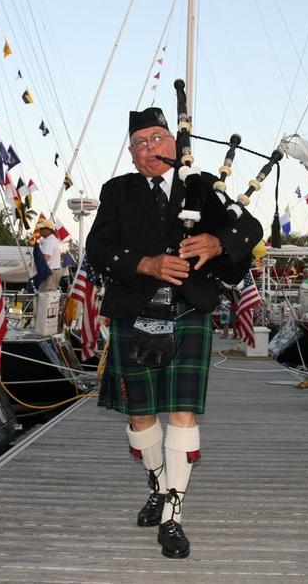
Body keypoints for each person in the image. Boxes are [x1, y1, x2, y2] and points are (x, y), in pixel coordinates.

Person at [86, 107, 263, 559]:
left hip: (188, 310)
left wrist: (219, 242)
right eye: (140, 143)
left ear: (175, 144)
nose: (151, 148)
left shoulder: (201, 186)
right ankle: (159, 487)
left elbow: (250, 227)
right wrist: (143, 263)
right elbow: (98, 248)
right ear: (131, 155)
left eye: (158, 138)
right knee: (141, 417)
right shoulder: (118, 191)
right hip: (134, 310)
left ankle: (173, 515)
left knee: (182, 414)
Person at [36, 215, 62, 292]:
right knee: (49, 296)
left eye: (41, 228)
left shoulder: (49, 241)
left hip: (49, 273)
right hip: (52, 272)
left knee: (45, 296)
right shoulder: (51, 240)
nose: (39, 230)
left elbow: (45, 258)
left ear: (48, 229)